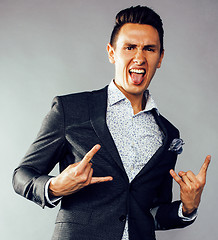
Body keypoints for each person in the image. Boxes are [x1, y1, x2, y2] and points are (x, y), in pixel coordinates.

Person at [12, 5, 210, 240]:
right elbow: (22, 175)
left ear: (160, 57)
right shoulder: (71, 109)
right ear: (111, 52)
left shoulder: (167, 133)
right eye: (130, 47)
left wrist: (187, 208)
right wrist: (54, 186)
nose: (139, 57)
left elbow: (151, 212)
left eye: (149, 49)